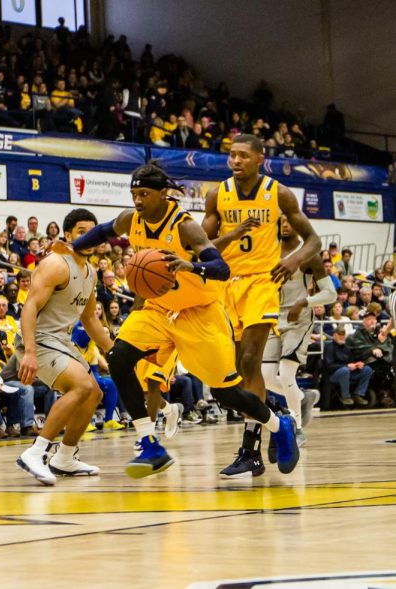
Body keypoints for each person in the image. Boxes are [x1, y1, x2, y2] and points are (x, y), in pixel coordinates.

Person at [70, 162, 298, 479]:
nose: (138, 200)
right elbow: (103, 231)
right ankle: (149, 442)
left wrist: (190, 267)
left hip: (200, 312)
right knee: (119, 358)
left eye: (144, 194)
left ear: (163, 194)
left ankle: (277, 423)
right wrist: (73, 248)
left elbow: (222, 269)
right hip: (158, 309)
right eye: (134, 194)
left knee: (226, 393)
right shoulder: (130, 219)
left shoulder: (185, 226)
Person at [202, 134, 320, 478]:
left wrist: (294, 260)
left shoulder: (278, 193)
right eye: (231, 156)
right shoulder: (217, 195)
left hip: (261, 283)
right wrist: (233, 235)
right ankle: (276, 422)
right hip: (226, 285)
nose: (235, 161)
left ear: (259, 159)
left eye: (242, 156)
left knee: (251, 361)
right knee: (236, 373)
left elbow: (313, 239)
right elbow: (203, 244)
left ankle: (249, 450)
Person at [15, 209, 112, 485]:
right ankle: (36, 452)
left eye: (93, 232)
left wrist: (115, 352)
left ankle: (65, 457)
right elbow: (29, 306)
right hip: (38, 339)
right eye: (82, 231)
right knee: (81, 385)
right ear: (68, 235)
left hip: (61, 342)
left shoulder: (91, 272)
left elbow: (91, 319)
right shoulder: (56, 264)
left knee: (94, 393)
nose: (88, 237)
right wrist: (30, 352)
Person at [261, 216, 335, 451]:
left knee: (285, 375)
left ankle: (298, 428)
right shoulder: (269, 254)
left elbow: (330, 294)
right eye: (280, 221)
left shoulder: (308, 255)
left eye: (288, 221)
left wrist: (304, 302)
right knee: (266, 377)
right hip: (275, 319)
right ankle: (303, 398)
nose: (284, 225)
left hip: (300, 319)